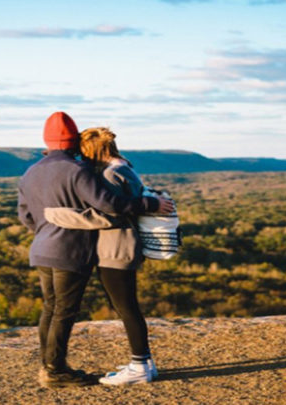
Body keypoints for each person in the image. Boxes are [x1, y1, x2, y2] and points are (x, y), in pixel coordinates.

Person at [17, 113, 174, 388]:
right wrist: (150, 204)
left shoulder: (30, 172)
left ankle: (49, 366)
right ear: (73, 140)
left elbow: (26, 216)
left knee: (50, 309)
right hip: (71, 250)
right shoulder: (78, 170)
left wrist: (46, 231)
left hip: (42, 247)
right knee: (64, 311)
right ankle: (55, 371)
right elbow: (109, 203)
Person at [44, 127, 161, 385]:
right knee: (127, 305)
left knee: (126, 307)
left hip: (115, 249)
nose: (80, 159)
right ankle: (146, 363)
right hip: (123, 247)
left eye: (82, 152)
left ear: (91, 150)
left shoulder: (110, 174)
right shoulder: (125, 168)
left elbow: (105, 215)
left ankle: (139, 365)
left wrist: (55, 215)